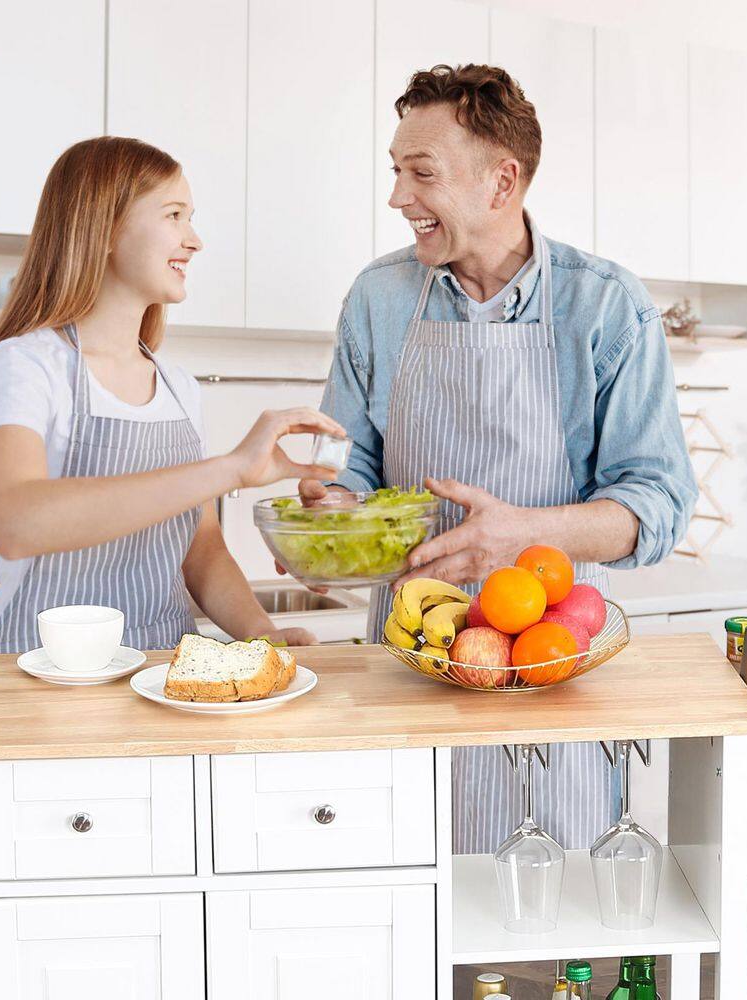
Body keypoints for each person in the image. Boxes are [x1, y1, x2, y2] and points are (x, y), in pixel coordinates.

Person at [303, 65, 698, 853]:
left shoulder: (606, 305)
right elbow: (350, 466)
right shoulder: (378, 298)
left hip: (556, 664)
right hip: (410, 662)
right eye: (396, 172)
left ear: (501, 180)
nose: (398, 198)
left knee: (559, 906)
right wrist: (333, 518)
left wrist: (521, 536)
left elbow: (657, 504)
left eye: (422, 174)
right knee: (404, 896)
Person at [0, 136, 344, 655]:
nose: (195, 240)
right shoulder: (24, 365)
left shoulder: (179, 388)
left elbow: (200, 550)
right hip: (43, 681)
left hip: (164, 678)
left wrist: (263, 637)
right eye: (174, 215)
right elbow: (15, 522)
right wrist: (231, 468)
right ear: (106, 227)